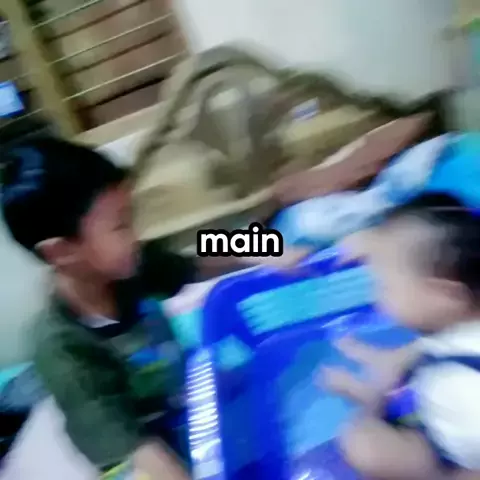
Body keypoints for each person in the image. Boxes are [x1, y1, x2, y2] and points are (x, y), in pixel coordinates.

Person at [0, 138, 309, 479]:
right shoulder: (63, 350)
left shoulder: (127, 267)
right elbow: (133, 449)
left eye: (130, 218)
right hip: (136, 457)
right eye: (120, 225)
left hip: (178, 401)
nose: (135, 236)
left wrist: (265, 250)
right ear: (61, 252)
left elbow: (195, 259)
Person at [323, 192, 480, 480]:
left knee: (362, 443)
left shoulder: (468, 395)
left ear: (444, 294)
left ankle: (373, 401)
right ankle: (386, 377)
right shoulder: (460, 319)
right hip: (448, 408)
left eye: (385, 286)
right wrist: (379, 243)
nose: (377, 298)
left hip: (454, 463)